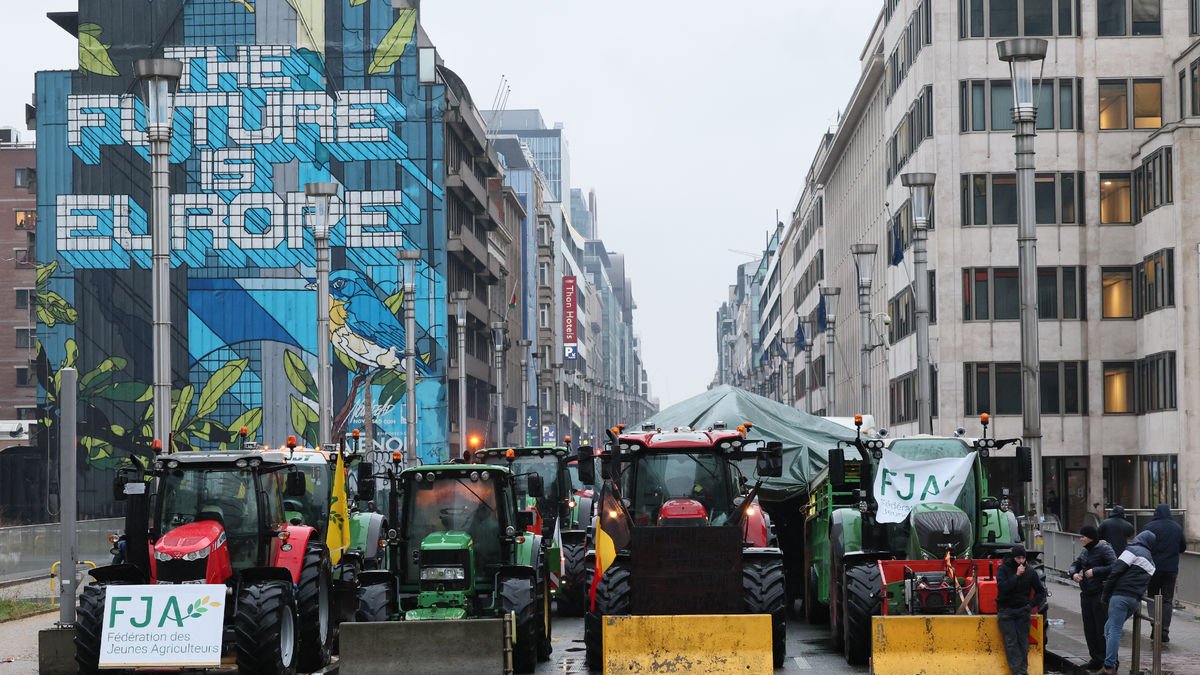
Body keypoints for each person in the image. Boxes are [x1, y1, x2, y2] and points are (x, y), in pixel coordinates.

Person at [1099, 530, 1157, 675]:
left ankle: (1108, 666)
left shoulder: (1132, 550)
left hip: (1120, 596)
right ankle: (1111, 662)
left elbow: (1116, 570)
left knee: (1114, 630)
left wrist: (1106, 593)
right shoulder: (1151, 562)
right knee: (1108, 629)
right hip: (1134, 600)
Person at [1068, 525, 1116, 670]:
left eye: (1083, 536)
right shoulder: (1085, 551)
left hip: (1099, 593)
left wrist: (1095, 571)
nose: (1080, 539)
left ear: (1090, 537)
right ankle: (1095, 658)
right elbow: (1075, 564)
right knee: (1089, 628)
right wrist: (1073, 573)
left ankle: (1103, 659)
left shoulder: (1104, 549)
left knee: (1100, 627)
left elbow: (1115, 566)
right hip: (1086, 593)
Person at [996, 544, 1047, 675]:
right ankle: (1019, 672)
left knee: (1023, 643)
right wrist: (1017, 576)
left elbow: (1041, 592)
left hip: (1023, 611)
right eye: (1018, 558)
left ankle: (1021, 671)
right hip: (1006, 611)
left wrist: (1030, 605)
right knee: (1011, 642)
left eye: (1023, 558)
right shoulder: (1003, 569)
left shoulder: (1030, 572)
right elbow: (1003, 588)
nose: (1021, 561)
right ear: (1013, 558)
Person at [1142, 503, 1185, 643]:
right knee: (1167, 600)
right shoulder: (1177, 527)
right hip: (1171, 569)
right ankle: (1164, 631)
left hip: (1152, 568)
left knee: (1152, 597)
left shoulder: (1150, 527)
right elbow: (1183, 546)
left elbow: (1143, 545)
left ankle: (1155, 626)